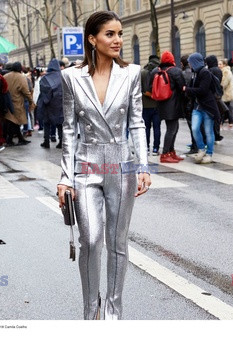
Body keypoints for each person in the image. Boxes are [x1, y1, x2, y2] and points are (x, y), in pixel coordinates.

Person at [57, 11, 151, 320]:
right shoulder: (72, 77)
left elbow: (137, 123)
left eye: (120, 34)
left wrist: (144, 167)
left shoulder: (132, 74)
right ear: (92, 39)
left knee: (117, 242)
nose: (118, 40)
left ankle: (113, 311)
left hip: (121, 165)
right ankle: (91, 311)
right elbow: (69, 129)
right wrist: (65, 177)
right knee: (91, 239)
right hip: (86, 164)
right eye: (110, 34)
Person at [184, 53, 220, 164]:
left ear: (194, 62)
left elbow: (202, 90)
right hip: (197, 106)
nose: (189, 64)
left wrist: (187, 89)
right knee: (195, 128)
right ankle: (201, 149)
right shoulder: (196, 73)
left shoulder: (205, 73)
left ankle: (209, 153)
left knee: (209, 131)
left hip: (207, 107)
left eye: (190, 62)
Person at [150, 50, 186, 163]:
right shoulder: (176, 71)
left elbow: (149, 86)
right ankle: (166, 153)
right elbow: (182, 87)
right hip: (173, 104)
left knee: (172, 128)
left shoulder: (155, 71)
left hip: (160, 104)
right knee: (172, 129)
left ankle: (171, 151)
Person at [4, 62, 34, 146]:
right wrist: (31, 101)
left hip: (7, 102)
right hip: (17, 102)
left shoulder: (6, 76)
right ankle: (10, 140)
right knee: (15, 121)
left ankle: (18, 139)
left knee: (12, 121)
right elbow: (25, 91)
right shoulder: (21, 77)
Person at [38, 58, 63, 149]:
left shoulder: (45, 78)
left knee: (46, 123)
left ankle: (46, 141)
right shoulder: (63, 76)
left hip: (48, 104)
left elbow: (43, 92)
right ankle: (61, 141)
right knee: (60, 123)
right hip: (60, 103)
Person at [141, 54, 161, 155]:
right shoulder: (160, 71)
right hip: (157, 104)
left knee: (146, 127)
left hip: (145, 105)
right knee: (157, 128)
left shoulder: (142, 72)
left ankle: (146, 147)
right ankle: (156, 148)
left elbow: (138, 89)